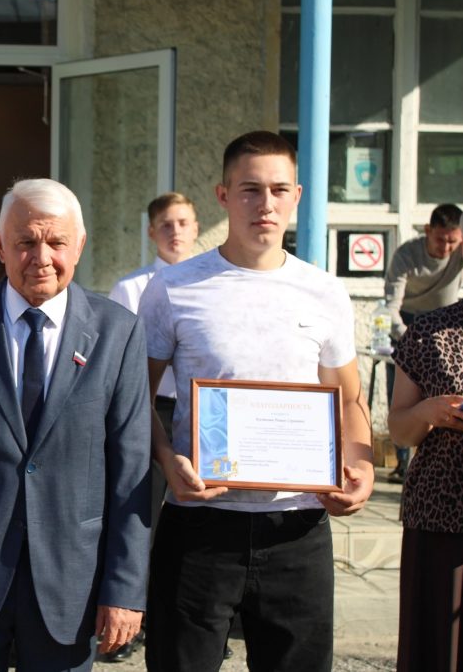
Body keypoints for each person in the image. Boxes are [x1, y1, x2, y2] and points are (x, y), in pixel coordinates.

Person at [140, 131, 374, 671]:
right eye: (249, 189)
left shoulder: (325, 291)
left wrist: (360, 465)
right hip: (200, 524)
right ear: (223, 195)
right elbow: (134, 399)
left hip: (297, 527)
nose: (265, 204)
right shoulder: (173, 288)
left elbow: (349, 401)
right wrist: (166, 459)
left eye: (278, 189)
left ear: (297, 196)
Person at [0, 178, 152, 672]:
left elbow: (131, 472)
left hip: (72, 586)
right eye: (25, 242)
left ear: (79, 245)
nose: (42, 257)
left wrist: (124, 589)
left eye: (57, 242)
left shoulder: (118, 333)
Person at [387, 195, 463, 671]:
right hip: (442, 516)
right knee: (440, 653)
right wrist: (427, 412)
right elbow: (399, 431)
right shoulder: (429, 331)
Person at [106, 192, 199, 662]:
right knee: (145, 516)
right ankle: (131, 621)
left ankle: (194, 620)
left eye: (183, 222)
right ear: (151, 232)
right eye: (166, 224)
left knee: (199, 520)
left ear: (196, 227)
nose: (175, 232)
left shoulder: (209, 282)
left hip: (201, 415)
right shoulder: (131, 288)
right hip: (152, 408)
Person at [383, 203, 463, 483]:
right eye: (440, 239)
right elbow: (391, 306)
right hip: (408, 325)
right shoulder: (406, 254)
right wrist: (407, 337)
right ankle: (402, 462)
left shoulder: (462, 253)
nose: (446, 248)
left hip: (446, 326)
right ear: (428, 230)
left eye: (453, 241)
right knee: (401, 396)